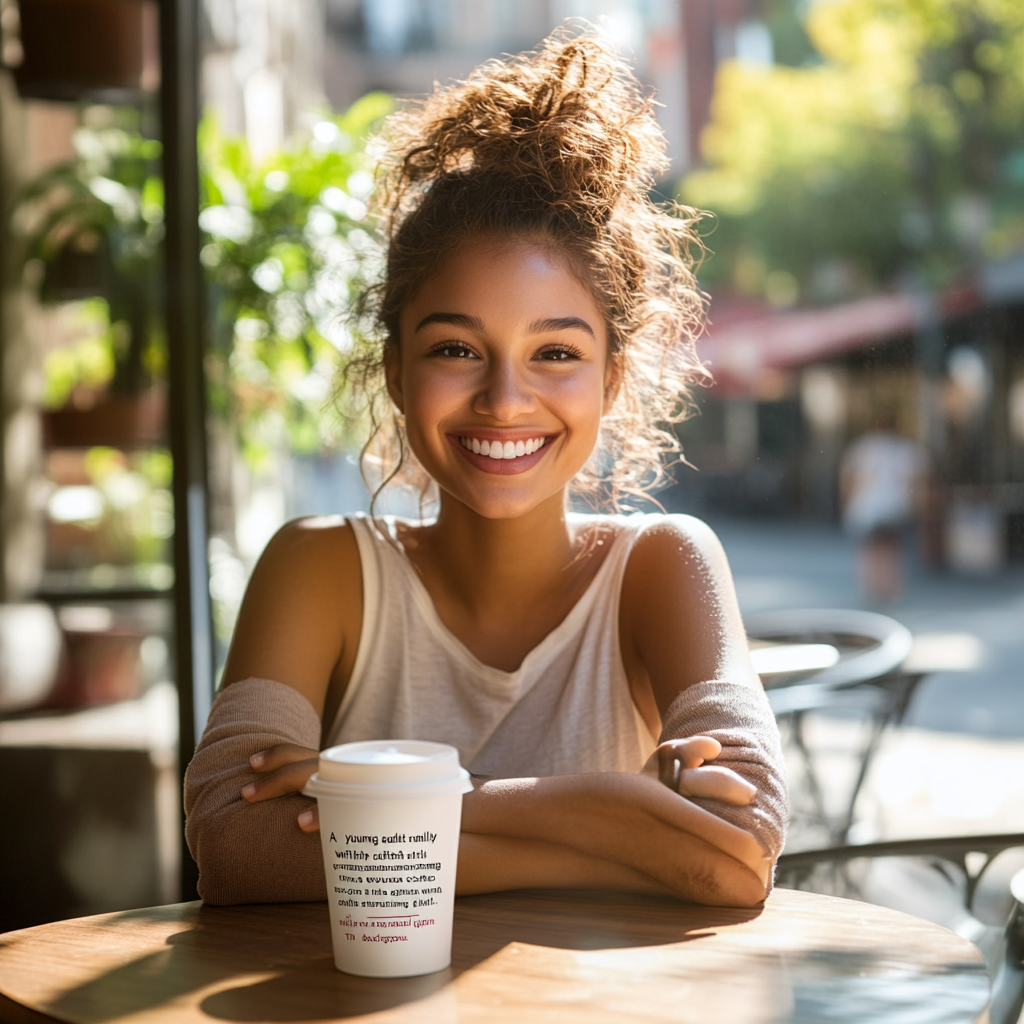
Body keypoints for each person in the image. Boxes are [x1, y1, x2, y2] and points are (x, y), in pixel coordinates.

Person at [184, 30, 787, 910]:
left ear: (612, 377)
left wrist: (377, 811)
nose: (505, 400)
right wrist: (610, 817)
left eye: (555, 353)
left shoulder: (662, 563)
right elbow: (236, 851)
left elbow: (741, 851)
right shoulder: (319, 568)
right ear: (396, 371)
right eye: (458, 347)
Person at [840, 412, 928, 602]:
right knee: (891, 550)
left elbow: (849, 480)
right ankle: (890, 589)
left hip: (866, 509)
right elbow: (915, 482)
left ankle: (872, 588)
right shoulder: (905, 448)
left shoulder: (863, 447)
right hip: (894, 507)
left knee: (869, 550)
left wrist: (848, 504)